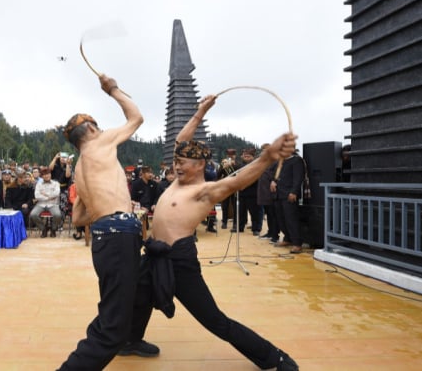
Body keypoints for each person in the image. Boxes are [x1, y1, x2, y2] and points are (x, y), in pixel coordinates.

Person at [128, 95, 299, 370]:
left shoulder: (204, 191)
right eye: (177, 160)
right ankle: (131, 340)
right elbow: (180, 141)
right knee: (138, 294)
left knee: (215, 320)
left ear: (200, 166)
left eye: (183, 162)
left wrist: (267, 156)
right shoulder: (176, 183)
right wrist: (200, 112)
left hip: (179, 261)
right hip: (154, 253)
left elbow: (237, 180)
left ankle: (273, 356)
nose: (177, 165)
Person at [57, 74, 158, 370]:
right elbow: (136, 117)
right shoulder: (100, 141)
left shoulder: (79, 167)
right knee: (111, 327)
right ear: (90, 128)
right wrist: (112, 89)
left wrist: (103, 208)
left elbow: (77, 218)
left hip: (106, 236)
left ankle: (131, 339)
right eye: (97, 125)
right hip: (119, 235)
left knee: (143, 285)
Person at [272, 150, 305, 254]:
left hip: (289, 194)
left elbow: (298, 177)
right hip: (278, 194)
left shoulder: (297, 161)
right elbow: (275, 175)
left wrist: (294, 192)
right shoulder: (280, 161)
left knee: (291, 219)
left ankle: (297, 243)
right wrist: (273, 181)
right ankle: (287, 238)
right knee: (281, 218)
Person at [234, 147, 263, 235]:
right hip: (242, 192)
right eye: (245, 156)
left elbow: (256, 178)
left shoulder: (256, 165)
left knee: (254, 212)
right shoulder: (239, 166)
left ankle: (256, 229)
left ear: (252, 157)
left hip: (252, 192)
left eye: (248, 156)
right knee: (241, 212)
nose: (246, 157)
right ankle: (240, 227)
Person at [29, 167, 62, 238]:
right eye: (44, 174)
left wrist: (44, 194)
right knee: (33, 215)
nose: (47, 176)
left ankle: (53, 229)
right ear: (42, 176)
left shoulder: (56, 183)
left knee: (58, 215)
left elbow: (56, 193)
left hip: (53, 204)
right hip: (41, 204)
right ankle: (43, 229)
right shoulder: (39, 184)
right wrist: (50, 197)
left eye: (48, 174)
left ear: (50, 175)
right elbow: (37, 196)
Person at [218, 148, 237, 229]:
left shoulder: (237, 163)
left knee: (235, 205)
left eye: (232, 155)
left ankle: (235, 223)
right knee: (225, 205)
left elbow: (240, 172)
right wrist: (222, 167)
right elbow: (218, 175)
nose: (230, 156)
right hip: (226, 186)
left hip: (235, 186)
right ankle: (224, 222)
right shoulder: (224, 163)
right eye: (229, 155)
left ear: (235, 156)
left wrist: (233, 165)